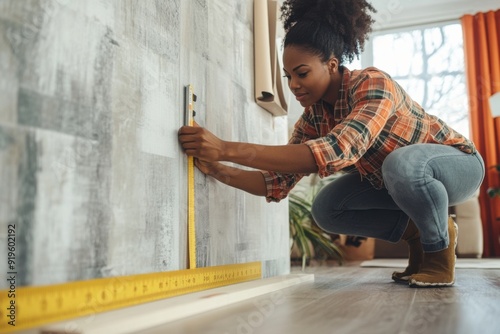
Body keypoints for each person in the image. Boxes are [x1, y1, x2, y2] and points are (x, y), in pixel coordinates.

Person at [178, 0, 485, 287]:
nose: (294, 85)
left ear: (333, 64)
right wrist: (217, 169)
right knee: (327, 209)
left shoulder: (372, 83)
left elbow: (340, 149)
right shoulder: (313, 120)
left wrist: (226, 147)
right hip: (398, 181)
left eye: (302, 73)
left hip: (457, 167)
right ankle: (418, 232)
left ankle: (438, 254)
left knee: (400, 162)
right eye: (287, 77)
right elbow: (275, 183)